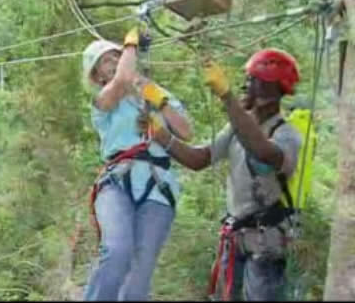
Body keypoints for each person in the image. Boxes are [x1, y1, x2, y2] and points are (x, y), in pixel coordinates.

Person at [142, 48, 302, 301]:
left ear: (269, 89)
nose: (244, 86)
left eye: (251, 80)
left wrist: (228, 98)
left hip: (266, 241)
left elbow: (261, 150)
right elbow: (200, 159)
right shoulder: (235, 129)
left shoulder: (286, 135)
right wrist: (162, 136)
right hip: (236, 236)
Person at [81, 28, 193, 301]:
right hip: (117, 181)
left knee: (140, 271)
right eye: (108, 61)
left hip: (158, 185)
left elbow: (186, 131)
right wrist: (130, 44)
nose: (116, 61)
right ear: (99, 76)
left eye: (117, 56)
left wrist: (161, 102)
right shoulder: (104, 100)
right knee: (117, 249)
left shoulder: (155, 93)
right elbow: (122, 81)